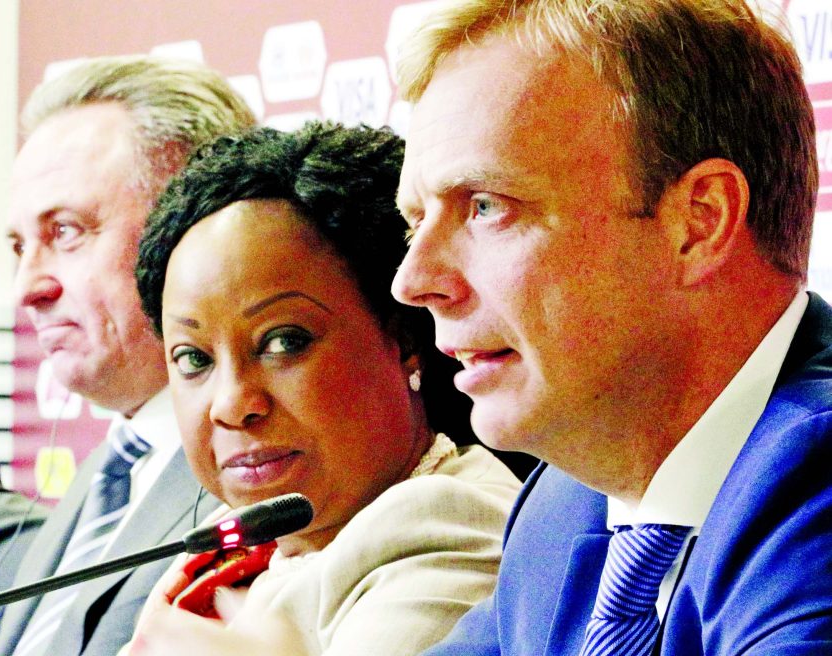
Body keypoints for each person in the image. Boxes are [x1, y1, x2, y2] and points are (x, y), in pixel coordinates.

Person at [389, 0, 832, 654]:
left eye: (484, 206)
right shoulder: (561, 509)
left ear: (698, 223)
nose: (412, 280)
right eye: (413, 220)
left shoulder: (813, 488)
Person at [123, 121, 521, 655]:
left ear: (403, 338)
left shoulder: (445, 523)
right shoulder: (231, 548)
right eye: (194, 359)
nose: (232, 404)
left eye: (284, 342)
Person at [0, 56, 255, 655]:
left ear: (190, 225)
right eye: (20, 246)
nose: (28, 287)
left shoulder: (258, 481)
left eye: (65, 231)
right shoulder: (110, 473)